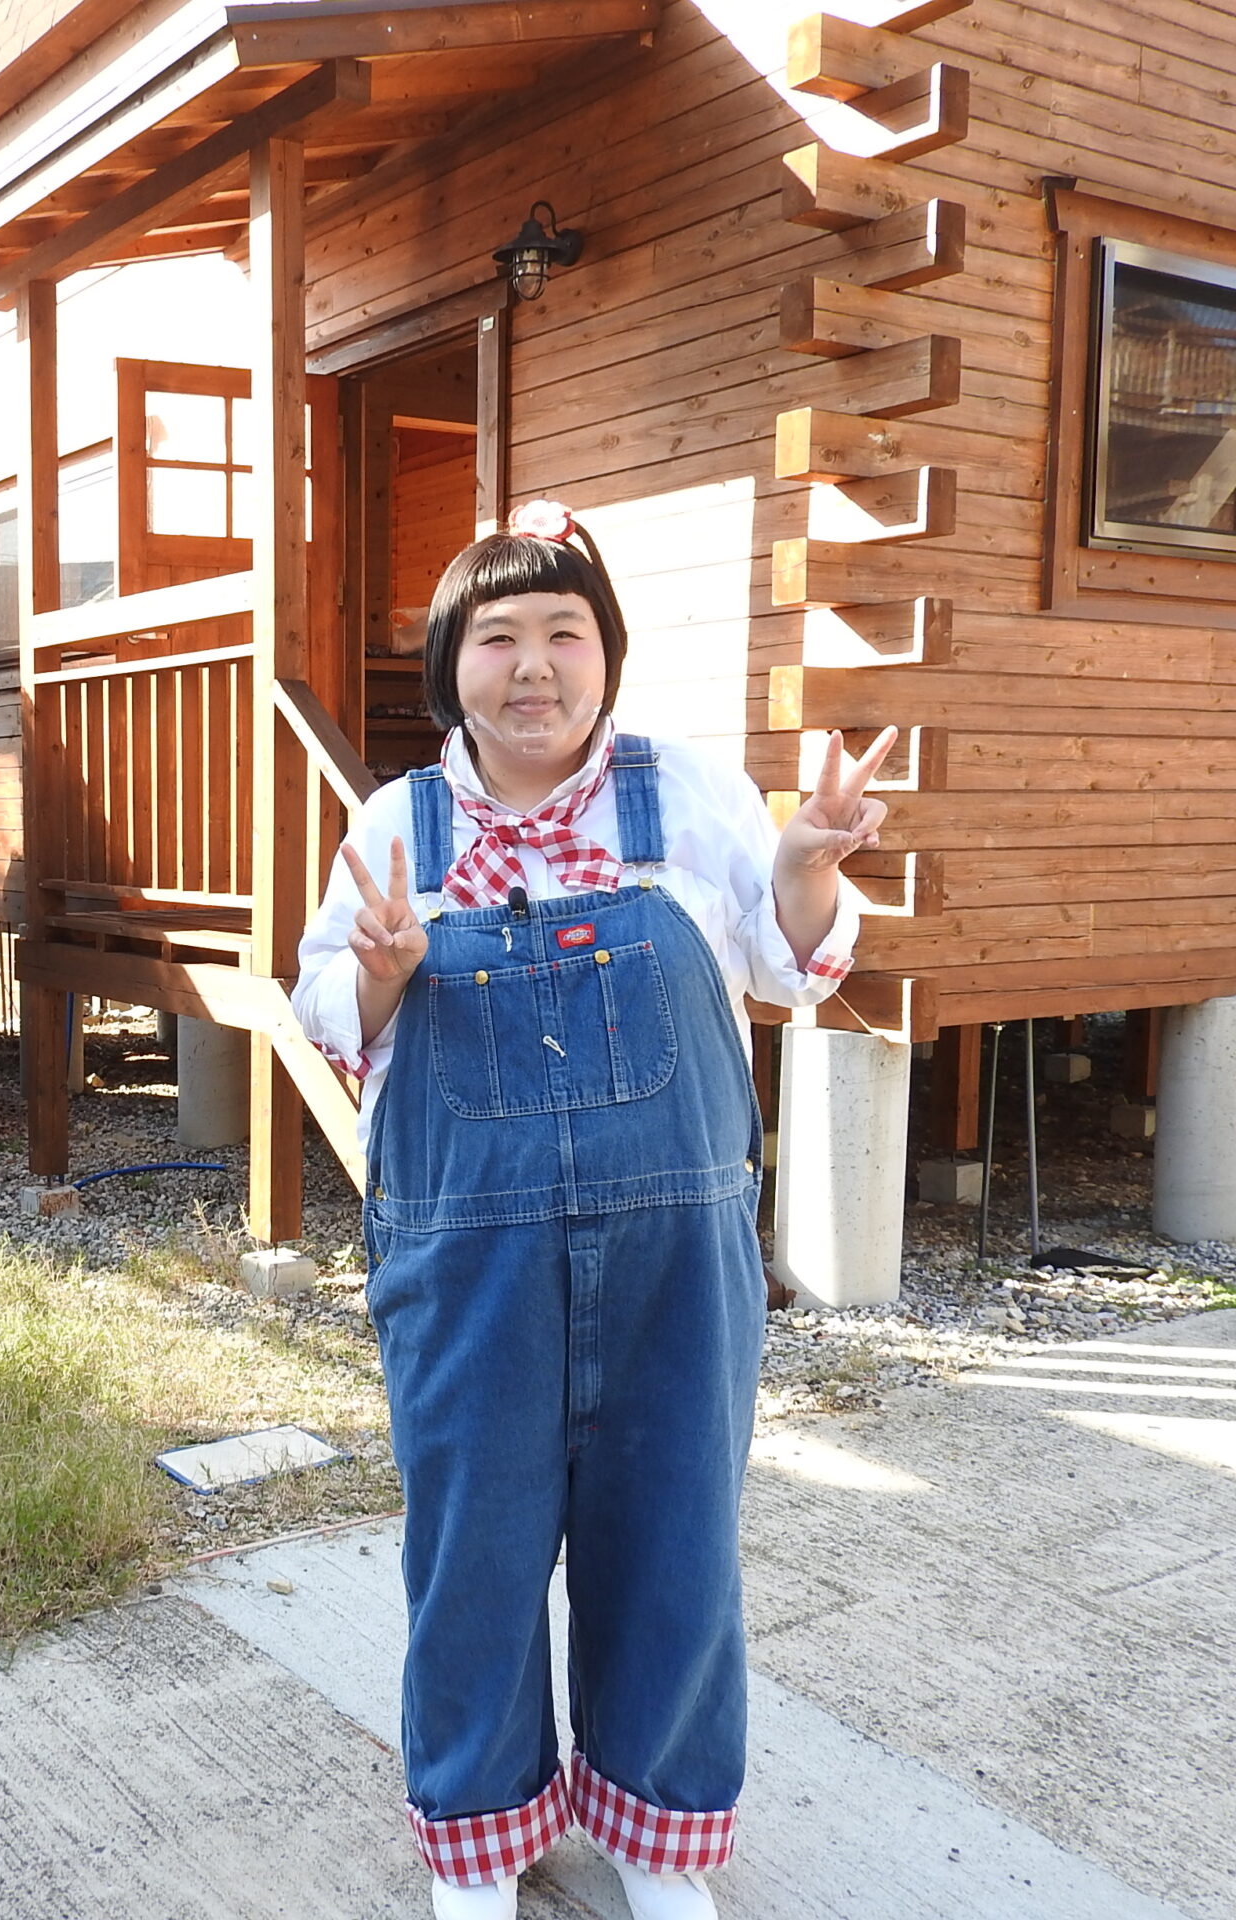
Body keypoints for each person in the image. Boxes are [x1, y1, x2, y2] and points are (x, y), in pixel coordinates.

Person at [291, 502, 892, 1920]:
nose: (535, 667)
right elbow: (330, 1008)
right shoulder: (398, 825)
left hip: (677, 1256)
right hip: (468, 1257)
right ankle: (483, 1848)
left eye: (567, 633)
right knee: (474, 1554)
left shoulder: (686, 796)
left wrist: (810, 859)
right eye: (498, 637)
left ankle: (656, 1841)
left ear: (607, 655)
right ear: (452, 668)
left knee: (672, 1539)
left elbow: (785, 966)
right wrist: (381, 966)